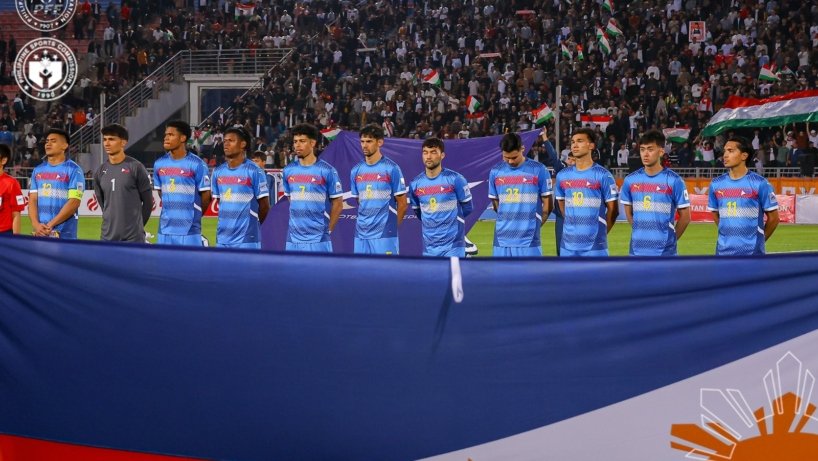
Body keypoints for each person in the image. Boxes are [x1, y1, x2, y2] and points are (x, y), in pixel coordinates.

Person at [620, 129, 691, 256]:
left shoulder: (674, 181)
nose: (645, 154)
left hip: (665, 253)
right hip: (636, 252)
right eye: (642, 149)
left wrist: (671, 241)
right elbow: (629, 213)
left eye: (650, 149)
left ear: (661, 151)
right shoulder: (630, 180)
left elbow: (685, 217)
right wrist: (639, 231)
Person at [708, 136, 779, 255]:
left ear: (744, 156)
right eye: (725, 151)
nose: (725, 155)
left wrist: (759, 243)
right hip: (722, 254)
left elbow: (774, 218)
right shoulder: (716, 184)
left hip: (752, 255)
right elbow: (715, 214)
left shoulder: (760, 183)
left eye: (730, 151)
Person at [554, 128, 619, 256]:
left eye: (580, 141)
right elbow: (561, 204)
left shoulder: (603, 175)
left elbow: (614, 211)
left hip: (595, 248)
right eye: (573, 142)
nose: (574, 145)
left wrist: (600, 235)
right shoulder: (562, 175)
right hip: (567, 246)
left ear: (591, 145)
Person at [488, 132, 552, 257]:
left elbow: (548, 205)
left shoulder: (539, 169)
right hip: (501, 238)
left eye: (514, 157)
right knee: (501, 271)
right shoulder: (495, 171)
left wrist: (536, 226)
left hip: (529, 239)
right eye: (506, 157)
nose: (510, 161)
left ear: (522, 148)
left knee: (529, 271)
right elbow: (496, 204)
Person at [282, 123, 343, 252]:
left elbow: (338, 203)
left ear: (313, 143)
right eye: (295, 141)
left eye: (302, 141)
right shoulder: (288, 170)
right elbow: (290, 199)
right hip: (293, 238)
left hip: (319, 238)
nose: (297, 145)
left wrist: (329, 230)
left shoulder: (327, 170)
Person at [408, 137, 474, 257]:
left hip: (453, 246)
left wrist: (450, 222)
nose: (428, 156)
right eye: (425, 152)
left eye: (433, 152)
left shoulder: (455, 179)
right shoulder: (415, 183)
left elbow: (468, 208)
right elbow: (418, 212)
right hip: (429, 247)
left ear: (442, 155)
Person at [350, 124, 407, 255]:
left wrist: (391, 228)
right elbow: (359, 201)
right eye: (362, 141)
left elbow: (403, 204)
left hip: (385, 234)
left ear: (380, 142)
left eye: (369, 141)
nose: (364, 145)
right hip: (361, 233)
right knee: (361, 268)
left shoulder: (392, 168)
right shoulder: (355, 170)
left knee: (386, 268)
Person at [152, 120, 212, 246]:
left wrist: (193, 217)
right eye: (166, 135)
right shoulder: (159, 164)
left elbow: (206, 197)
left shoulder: (197, 164)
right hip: (164, 229)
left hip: (189, 231)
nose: (166, 138)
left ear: (183, 138)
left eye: (171, 135)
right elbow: (161, 192)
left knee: (190, 260)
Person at [210, 127, 270, 249]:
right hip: (222, 239)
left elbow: (264, 206)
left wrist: (254, 229)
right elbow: (221, 203)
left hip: (247, 240)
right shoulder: (218, 172)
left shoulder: (255, 171)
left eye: (231, 140)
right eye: (225, 140)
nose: (226, 144)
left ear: (243, 144)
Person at [92, 124, 153, 242]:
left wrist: (138, 227)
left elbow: (148, 203)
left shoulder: (136, 167)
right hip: (107, 237)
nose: (107, 143)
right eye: (105, 139)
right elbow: (103, 204)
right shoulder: (100, 171)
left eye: (111, 139)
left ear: (123, 142)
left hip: (133, 238)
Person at [28, 129, 84, 239]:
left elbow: (74, 202)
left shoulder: (74, 170)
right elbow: (32, 200)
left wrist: (50, 225)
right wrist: (36, 225)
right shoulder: (38, 170)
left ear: (64, 146)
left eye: (53, 141)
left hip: (64, 235)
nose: (48, 144)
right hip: (40, 233)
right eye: (47, 141)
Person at [0, 144, 24, 234]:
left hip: (4, 235)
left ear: (3, 160)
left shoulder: (12, 183)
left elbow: (16, 214)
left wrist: (15, 239)